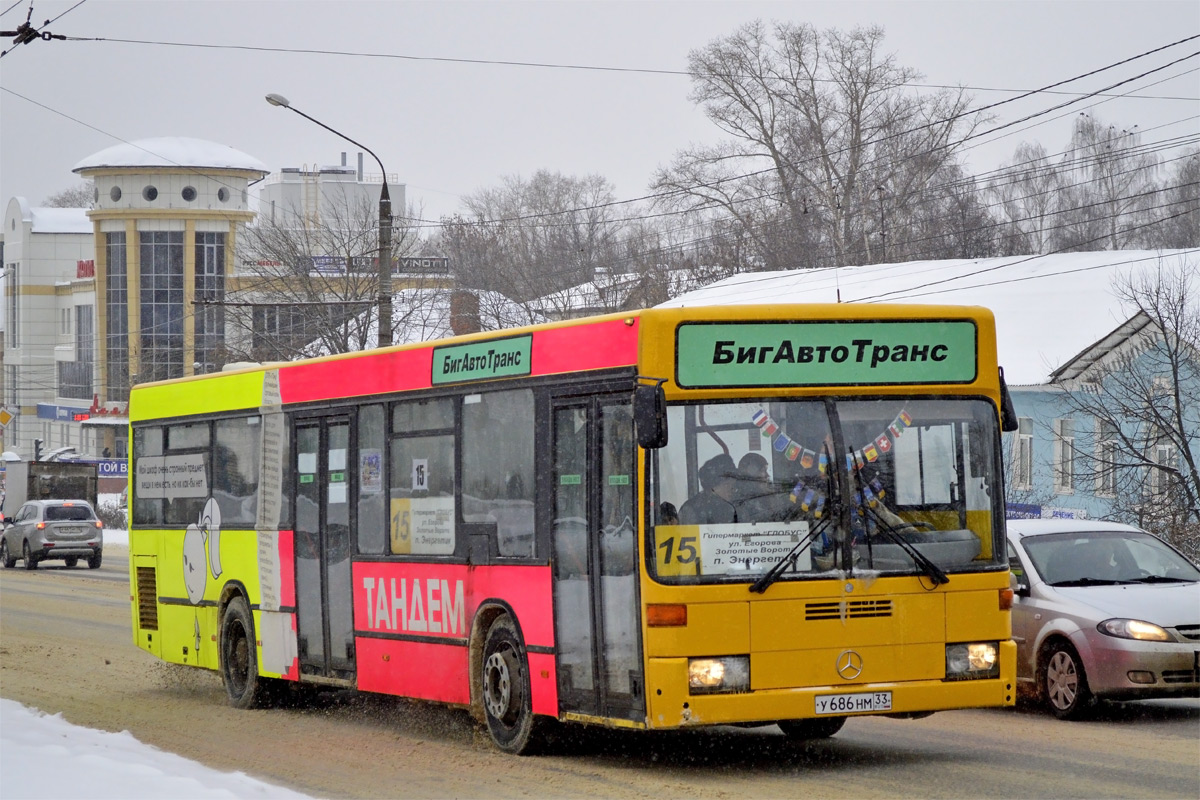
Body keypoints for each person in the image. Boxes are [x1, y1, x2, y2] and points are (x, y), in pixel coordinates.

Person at [679, 454, 738, 525]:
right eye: (727, 485)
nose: (732, 489)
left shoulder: (737, 506)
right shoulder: (691, 510)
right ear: (713, 486)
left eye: (733, 485)